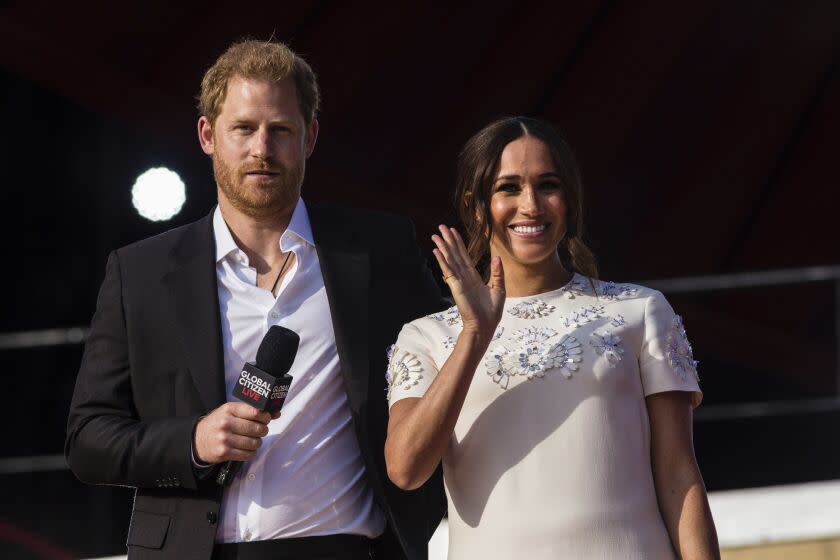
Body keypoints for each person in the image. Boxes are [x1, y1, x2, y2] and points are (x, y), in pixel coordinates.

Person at [65, 39, 445, 560]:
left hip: (350, 549)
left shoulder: (379, 254)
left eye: (280, 130)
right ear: (208, 135)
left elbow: (458, 369)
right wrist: (193, 442)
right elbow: (88, 439)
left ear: (310, 137)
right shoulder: (141, 273)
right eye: (243, 128)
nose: (261, 149)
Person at [384, 117, 720, 559]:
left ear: (569, 198)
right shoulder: (426, 336)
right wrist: (475, 334)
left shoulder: (639, 311)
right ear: (476, 203)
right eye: (508, 187)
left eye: (547, 185)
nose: (531, 205)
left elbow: (679, 475)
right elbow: (406, 469)